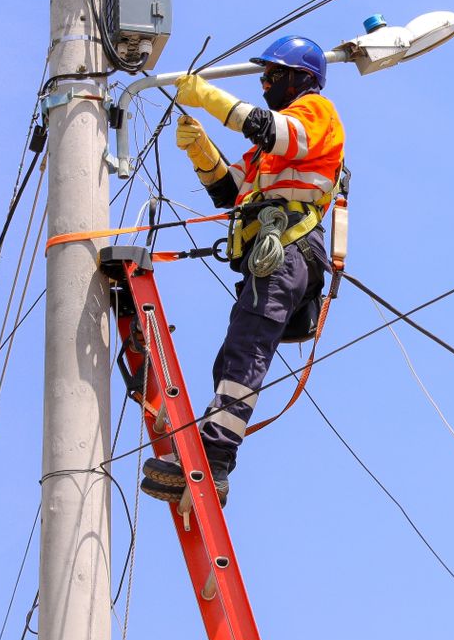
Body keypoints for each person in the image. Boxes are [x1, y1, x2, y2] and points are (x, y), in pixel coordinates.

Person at [138, 34, 345, 506]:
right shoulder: (266, 155)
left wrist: (209, 96)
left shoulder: (316, 112)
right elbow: (234, 195)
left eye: (273, 75)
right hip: (272, 250)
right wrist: (203, 155)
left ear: (301, 78)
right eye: (264, 75)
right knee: (236, 349)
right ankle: (214, 449)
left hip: (290, 246)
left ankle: (215, 456)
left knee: (247, 347)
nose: (265, 82)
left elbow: (269, 128)